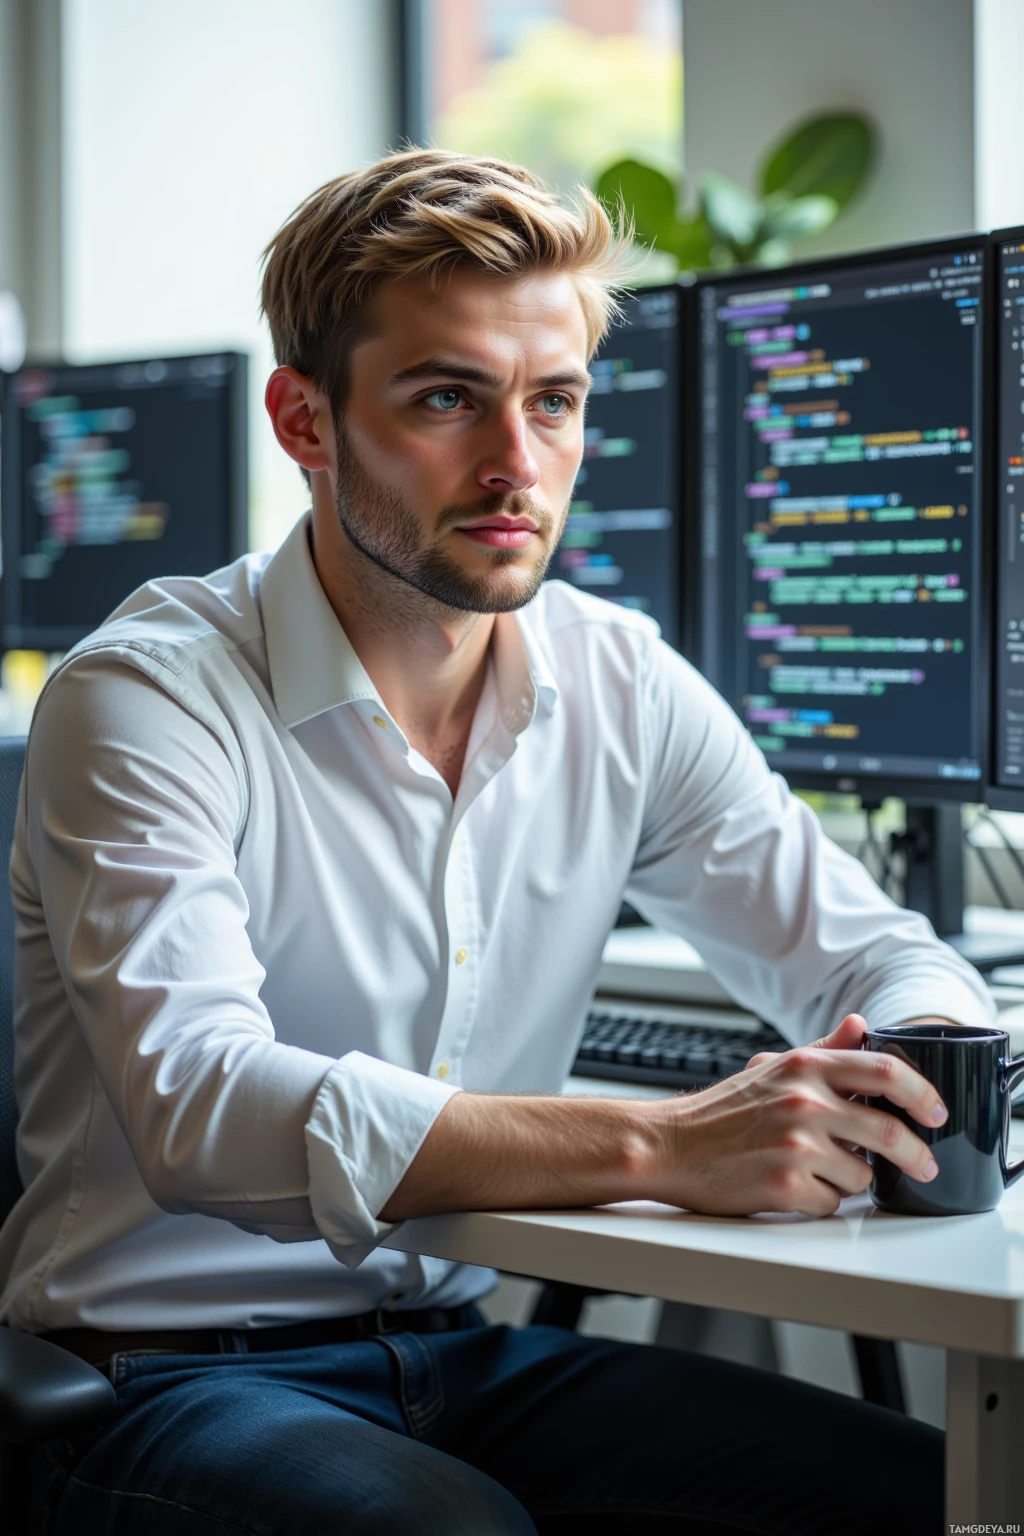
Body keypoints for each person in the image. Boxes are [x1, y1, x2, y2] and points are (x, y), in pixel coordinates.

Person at [0, 149, 992, 1534]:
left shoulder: (619, 680)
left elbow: (865, 948)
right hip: (161, 1378)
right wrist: (662, 1142)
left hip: (462, 1355)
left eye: (556, 402)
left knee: (935, 1493)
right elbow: (204, 1110)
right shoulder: (149, 694)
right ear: (305, 419)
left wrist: (927, 1072)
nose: (516, 464)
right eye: (448, 399)